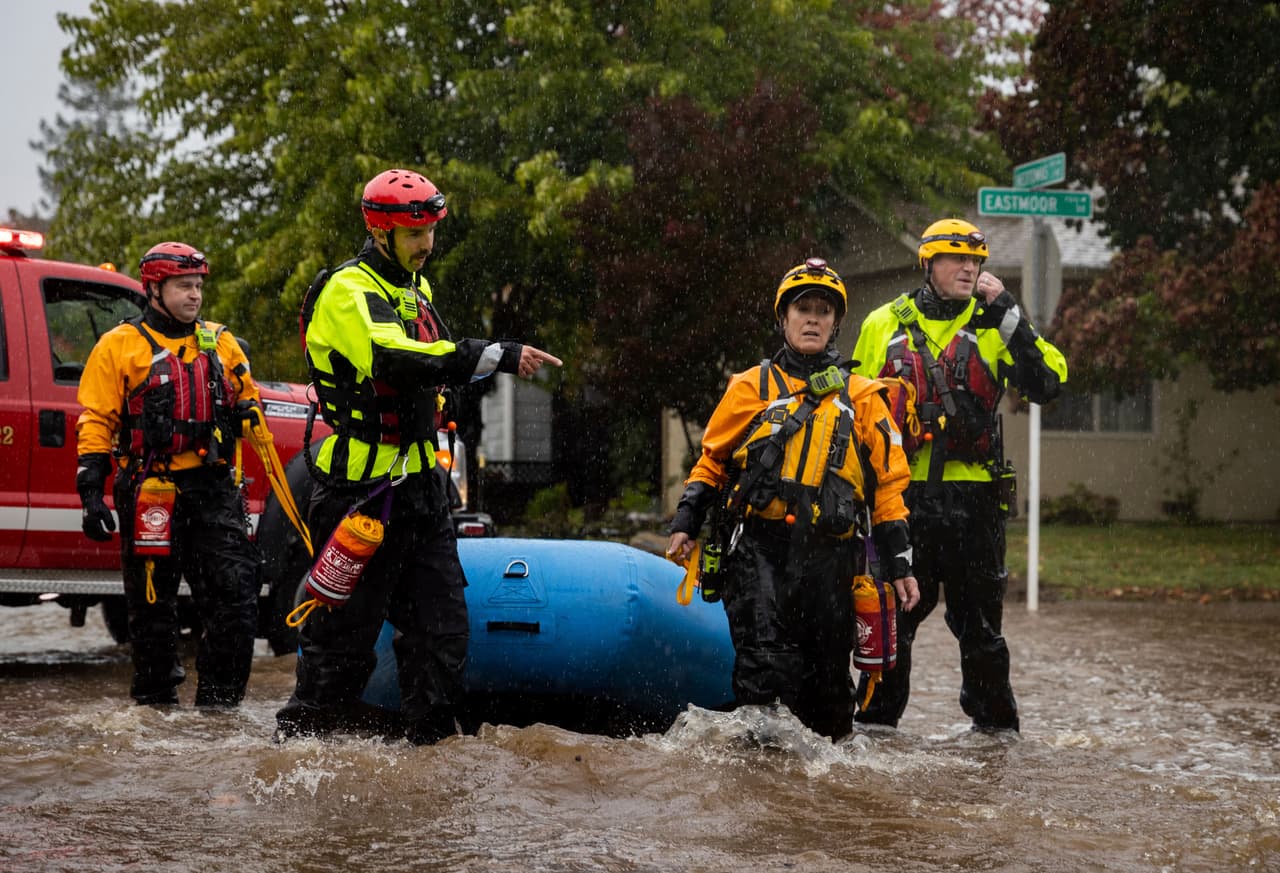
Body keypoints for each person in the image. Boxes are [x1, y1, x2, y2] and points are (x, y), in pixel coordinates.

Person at [275, 168, 561, 744]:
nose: (426, 244)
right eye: (414, 234)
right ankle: (296, 760)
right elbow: (397, 360)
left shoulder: (415, 290)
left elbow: (436, 362)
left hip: (421, 491)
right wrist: (493, 354)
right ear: (380, 232)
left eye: (431, 231)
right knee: (342, 647)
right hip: (360, 494)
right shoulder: (346, 291)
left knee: (442, 634)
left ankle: (426, 760)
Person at [667, 258, 920, 741]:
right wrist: (686, 520)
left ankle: (817, 798)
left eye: (822, 311)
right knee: (766, 670)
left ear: (835, 323)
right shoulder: (750, 387)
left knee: (828, 691)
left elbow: (888, 488)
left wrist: (901, 565)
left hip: (833, 558)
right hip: (760, 550)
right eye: (802, 309)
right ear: (783, 319)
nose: (812, 319)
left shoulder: (863, 395)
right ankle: (761, 784)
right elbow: (712, 462)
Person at [851, 219, 1068, 733]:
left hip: (976, 506)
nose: (969, 268)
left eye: (976, 260)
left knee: (983, 636)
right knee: (890, 631)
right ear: (928, 264)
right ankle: (874, 740)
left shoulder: (998, 322)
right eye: (956, 259)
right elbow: (854, 414)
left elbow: (1048, 383)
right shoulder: (883, 323)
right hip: (904, 505)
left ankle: (995, 747)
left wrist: (1011, 315)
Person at [76, 242, 262, 707]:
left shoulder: (220, 342)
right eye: (184, 286)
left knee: (235, 600)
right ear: (154, 289)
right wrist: (90, 492)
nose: (195, 295)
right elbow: (96, 421)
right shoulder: (120, 346)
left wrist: (245, 410)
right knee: (153, 610)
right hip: (149, 491)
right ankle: (156, 711)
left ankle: (219, 711)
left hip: (212, 488)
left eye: (198, 286)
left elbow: (250, 401)